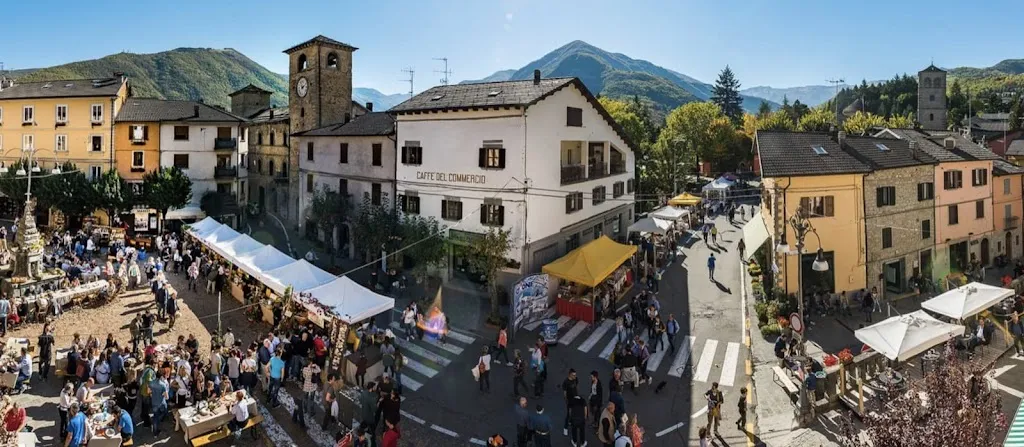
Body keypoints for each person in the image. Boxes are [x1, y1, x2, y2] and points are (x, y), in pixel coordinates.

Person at [149, 370, 170, 436]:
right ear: (161, 376)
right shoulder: (163, 385)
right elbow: (167, 397)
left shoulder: (151, 383)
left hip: (154, 402)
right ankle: (158, 420)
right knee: (165, 411)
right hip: (161, 403)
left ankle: (155, 432)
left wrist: (153, 395)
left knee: (155, 416)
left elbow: (148, 392)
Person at [561, 369, 579, 435]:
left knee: (575, 412)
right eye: (573, 375)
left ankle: (571, 421)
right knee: (569, 414)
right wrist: (566, 401)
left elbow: (576, 387)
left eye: (575, 375)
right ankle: (565, 428)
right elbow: (565, 393)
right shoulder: (566, 382)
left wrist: (577, 395)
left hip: (575, 399)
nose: (575, 376)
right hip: (569, 400)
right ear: (569, 374)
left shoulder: (576, 379)